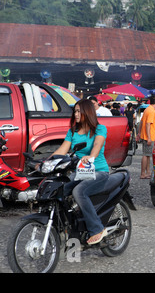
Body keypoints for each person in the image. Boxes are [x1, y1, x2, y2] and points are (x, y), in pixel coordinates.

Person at [51, 99, 109, 245]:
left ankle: (97, 229)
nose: (76, 114)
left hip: (99, 171)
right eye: (75, 111)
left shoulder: (100, 129)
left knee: (79, 191)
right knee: (58, 190)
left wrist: (92, 156)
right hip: (80, 172)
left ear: (87, 112)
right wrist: (45, 162)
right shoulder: (73, 132)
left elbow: (97, 144)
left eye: (79, 111)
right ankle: (66, 226)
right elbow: (62, 151)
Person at [140, 95, 155, 179]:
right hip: (149, 136)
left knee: (148, 155)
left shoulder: (147, 109)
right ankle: (143, 173)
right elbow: (148, 124)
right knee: (145, 155)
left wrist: (138, 133)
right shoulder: (152, 111)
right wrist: (149, 137)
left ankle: (147, 172)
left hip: (144, 135)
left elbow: (141, 122)